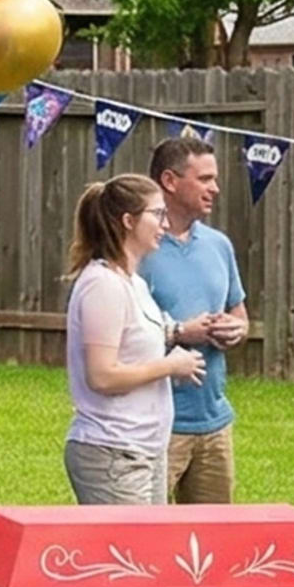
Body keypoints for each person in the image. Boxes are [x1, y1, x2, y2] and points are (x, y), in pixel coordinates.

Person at [61, 173, 199, 508]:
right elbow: (102, 375)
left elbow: (132, 339)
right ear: (128, 220)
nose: (165, 224)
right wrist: (170, 366)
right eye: (157, 214)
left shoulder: (133, 283)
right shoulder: (103, 285)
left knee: (150, 556)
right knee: (127, 559)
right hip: (112, 452)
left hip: (145, 449)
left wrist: (178, 333)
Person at [139, 135, 250, 503]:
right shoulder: (138, 248)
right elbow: (116, 335)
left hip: (215, 422)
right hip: (157, 424)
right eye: (204, 179)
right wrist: (181, 333)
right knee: (145, 541)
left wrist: (235, 330)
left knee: (213, 541)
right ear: (170, 182)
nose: (215, 188)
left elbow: (240, 314)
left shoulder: (219, 245)